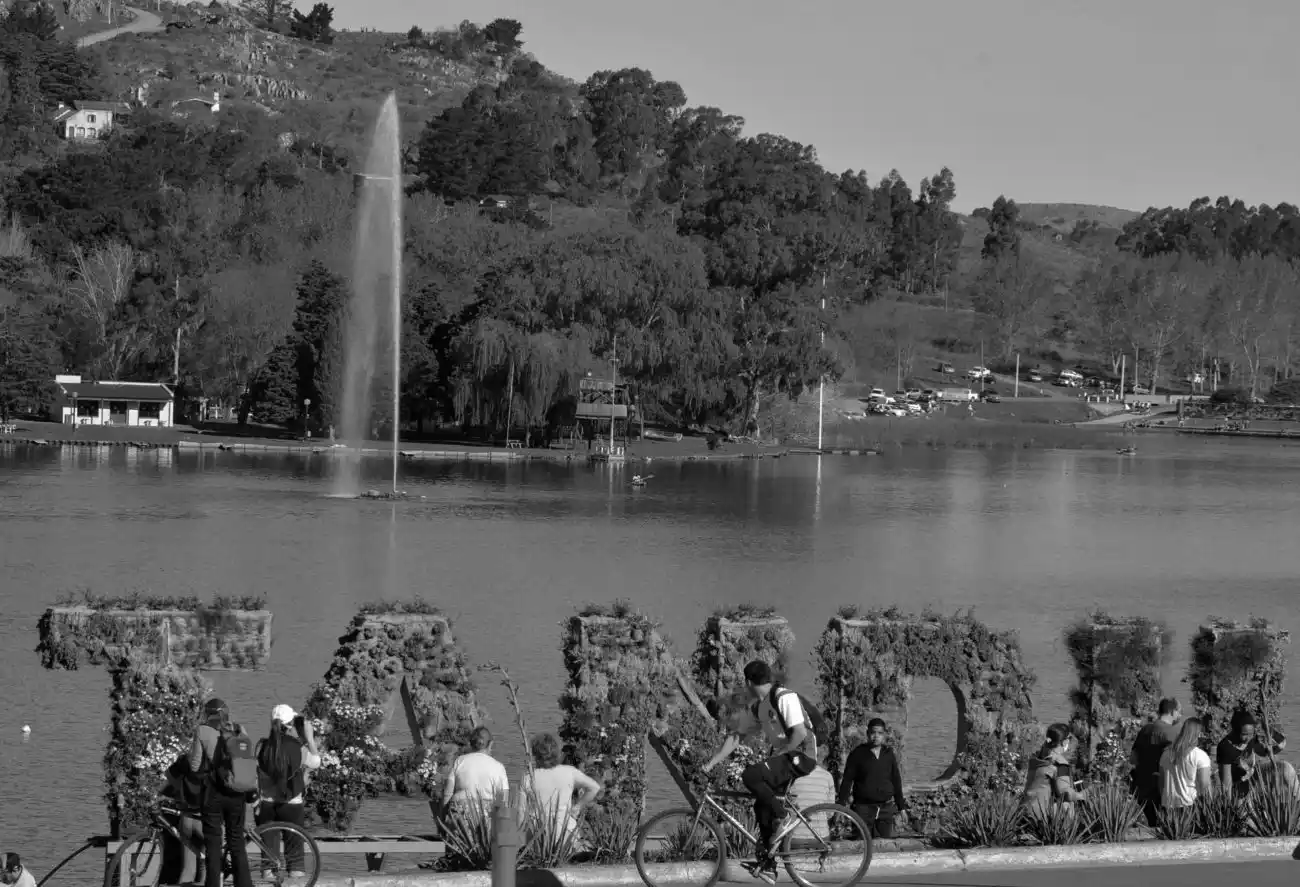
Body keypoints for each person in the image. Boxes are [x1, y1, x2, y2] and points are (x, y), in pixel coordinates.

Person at [703, 661, 817, 880]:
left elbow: (800, 733)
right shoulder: (759, 706)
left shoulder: (784, 697)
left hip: (801, 755)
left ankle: (783, 816)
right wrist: (711, 763)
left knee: (750, 775)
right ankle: (769, 865)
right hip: (786, 756)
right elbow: (737, 736)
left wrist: (778, 755)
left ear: (748, 682)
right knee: (761, 806)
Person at [189, 697, 254, 887]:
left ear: (207, 714)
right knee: (236, 842)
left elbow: (194, 766)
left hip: (214, 793)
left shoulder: (202, 730)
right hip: (236, 791)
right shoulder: (238, 729)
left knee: (213, 843)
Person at [256, 704, 321, 876]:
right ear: (291, 724)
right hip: (292, 803)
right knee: (295, 859)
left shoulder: (261, 746)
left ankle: (268, 876)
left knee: (268, 859)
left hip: (267, 804)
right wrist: (310, 738)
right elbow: (315, 762)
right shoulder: (298, 748)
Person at [518, 733, 602, 844]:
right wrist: (578, 806)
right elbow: (595, 787)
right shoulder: (569, 772)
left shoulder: (528, 778)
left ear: (535, 755)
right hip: (566, 834)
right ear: (556, 752)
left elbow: (521, 815)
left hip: (539, 837)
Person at [837, 718, 907, 838]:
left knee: (884, 845)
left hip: (885, 808)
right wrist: (841, 805)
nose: (876, 736)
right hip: (863, 808)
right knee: (862, 844)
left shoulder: (888, 754)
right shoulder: (858, 754)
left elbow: (896, 780)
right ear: (868, 733)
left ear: (884, 735)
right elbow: (847, 780)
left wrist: (901, 807)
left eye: (880, 733)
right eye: (873, 733)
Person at [1130, 698, 1182, 826]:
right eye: (1179, 712)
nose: (1180, 715)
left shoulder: (1145, 730)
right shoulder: (1172, 732)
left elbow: (1133, 758)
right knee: (1167, 829)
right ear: (1172, 712)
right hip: (1163, 789)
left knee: (1150, 827)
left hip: (1142, 787)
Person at [440, 726, 509, 819]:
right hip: (485, 818)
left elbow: (448, 793)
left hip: (459, 814)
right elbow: (504, 801)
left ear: (471, 744)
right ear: (490, 744)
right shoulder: (499, 767)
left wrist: (443, 818)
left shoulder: (459, 761)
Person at [1217, 710, 1287, 798]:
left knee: (1284, 768)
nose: (1248, 738)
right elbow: (1226, 783)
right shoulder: (1225, 747)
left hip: (1251, 781)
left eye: (1251, 734)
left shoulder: (1251, 739)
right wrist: (1228, 807)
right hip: (1237, 788)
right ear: (1235, 730)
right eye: (1244, 734)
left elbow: (1265, 752)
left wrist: (1268, 730)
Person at [1020, 723, 1082, 813]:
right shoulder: (1059, 763)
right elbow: (1064, 792)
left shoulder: (1036, 759)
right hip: (1043, 818)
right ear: (1065, 742)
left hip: (1024, 810)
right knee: (1066, 806)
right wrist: (1083, 795)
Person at [1160, 717, 1212, 809]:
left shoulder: (1166, 754)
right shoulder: (1200, 755)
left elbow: (1161, 782)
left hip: (1168, 805)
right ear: (1198, 734)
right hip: (1189, 805)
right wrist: (1210, 806)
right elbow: (1204, 785)